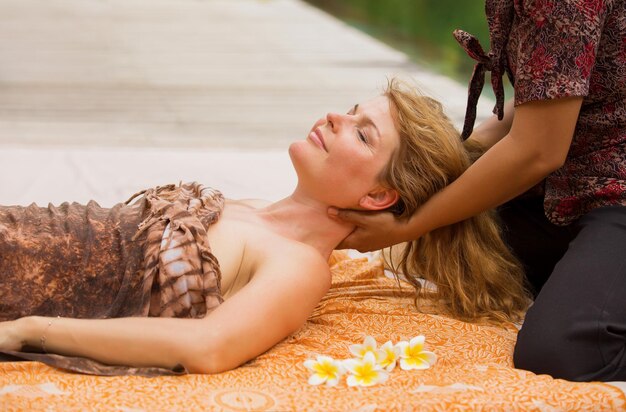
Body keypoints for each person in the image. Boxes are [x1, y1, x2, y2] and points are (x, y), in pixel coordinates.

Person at [0, 79, 529, 376]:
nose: (334, 118)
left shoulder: (299, 265)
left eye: (362, 134)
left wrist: (30, 331)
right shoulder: (252, 206)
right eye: (349, 111)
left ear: (377, 196)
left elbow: (210, 346)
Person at [331, 1, 626, 382]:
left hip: (615, 190)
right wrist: (431, 170)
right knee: (462, 253)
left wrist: (411, 225)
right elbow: (538, 109)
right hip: (568, 189)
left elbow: (538, 150)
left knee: (561, 350)